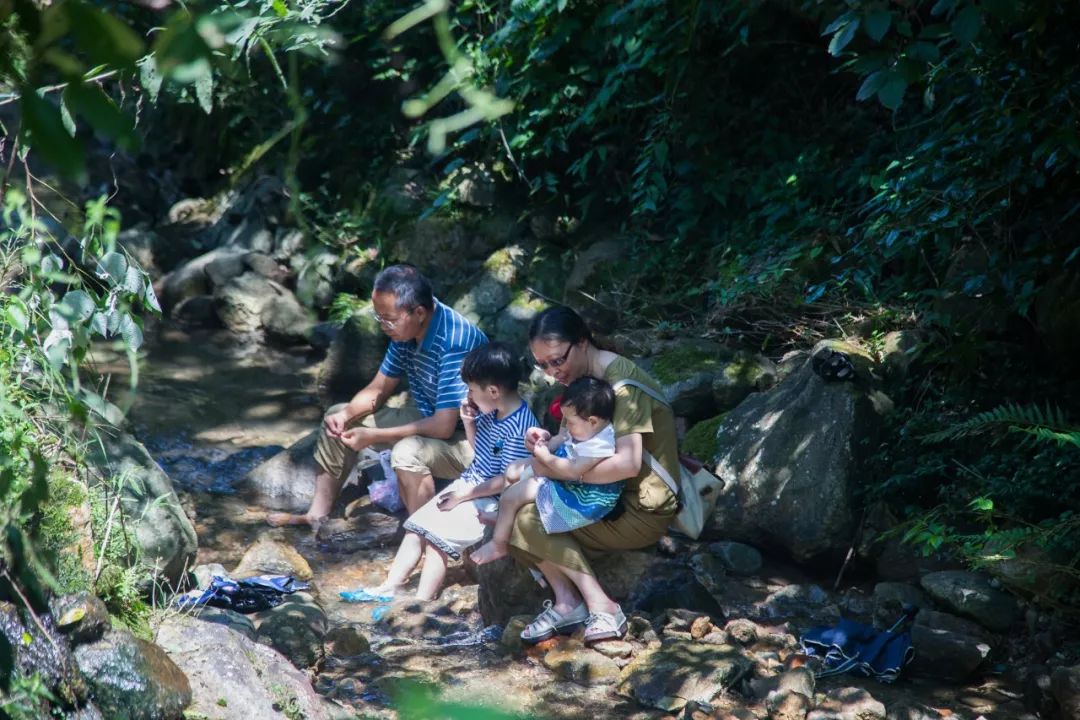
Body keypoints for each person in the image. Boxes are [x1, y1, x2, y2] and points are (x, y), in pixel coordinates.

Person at [266, 264, 487, 527]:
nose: (383, 325)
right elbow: (379, 389)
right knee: (337, 415)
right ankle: (316, 514)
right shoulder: (406, 328)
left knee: (407, 451)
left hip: (474, 437)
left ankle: (428, 538)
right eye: (378, 317)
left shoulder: (454, 342)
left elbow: (443, 426)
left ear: (418, 312)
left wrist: (373, 436)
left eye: (389, 319)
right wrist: (347, 415)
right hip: (431, 413)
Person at [508, 306, 680, 644]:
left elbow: (629, 464)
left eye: (557, 360)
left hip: (638, 509)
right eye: (542, 365)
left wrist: (565, 473)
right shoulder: (581, 382)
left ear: (583, 342)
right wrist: (546, 441)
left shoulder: (623, 386)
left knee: (526, 521)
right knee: (514, 510)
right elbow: (573, 443)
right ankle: (567, 603)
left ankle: (602, 606)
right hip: (602, 498)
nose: (552, 372)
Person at [339, 343, 537, 602]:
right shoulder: (493, 412)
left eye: (472, 390)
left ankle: (421, 603)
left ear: (493, 391)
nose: (469, 396)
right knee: (416, 527)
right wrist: (469, 424)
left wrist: (462, 497)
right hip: (471, 486)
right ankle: (390, 587)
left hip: (492, 499)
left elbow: (505, 480)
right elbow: (484, 454)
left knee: (436, 542)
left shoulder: (520, 428)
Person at [470, 376, 618, 565]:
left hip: (578, 497)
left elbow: (574, 471)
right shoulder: (585, 427)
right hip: (563, 477)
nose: (568, 427)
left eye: (570, 422)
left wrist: (546, 457)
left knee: (512, 496)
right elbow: (563, 437)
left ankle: (499, 543)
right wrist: (545, 443)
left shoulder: (600, 444)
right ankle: (503, 516)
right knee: (512, 470)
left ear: (593, 421)